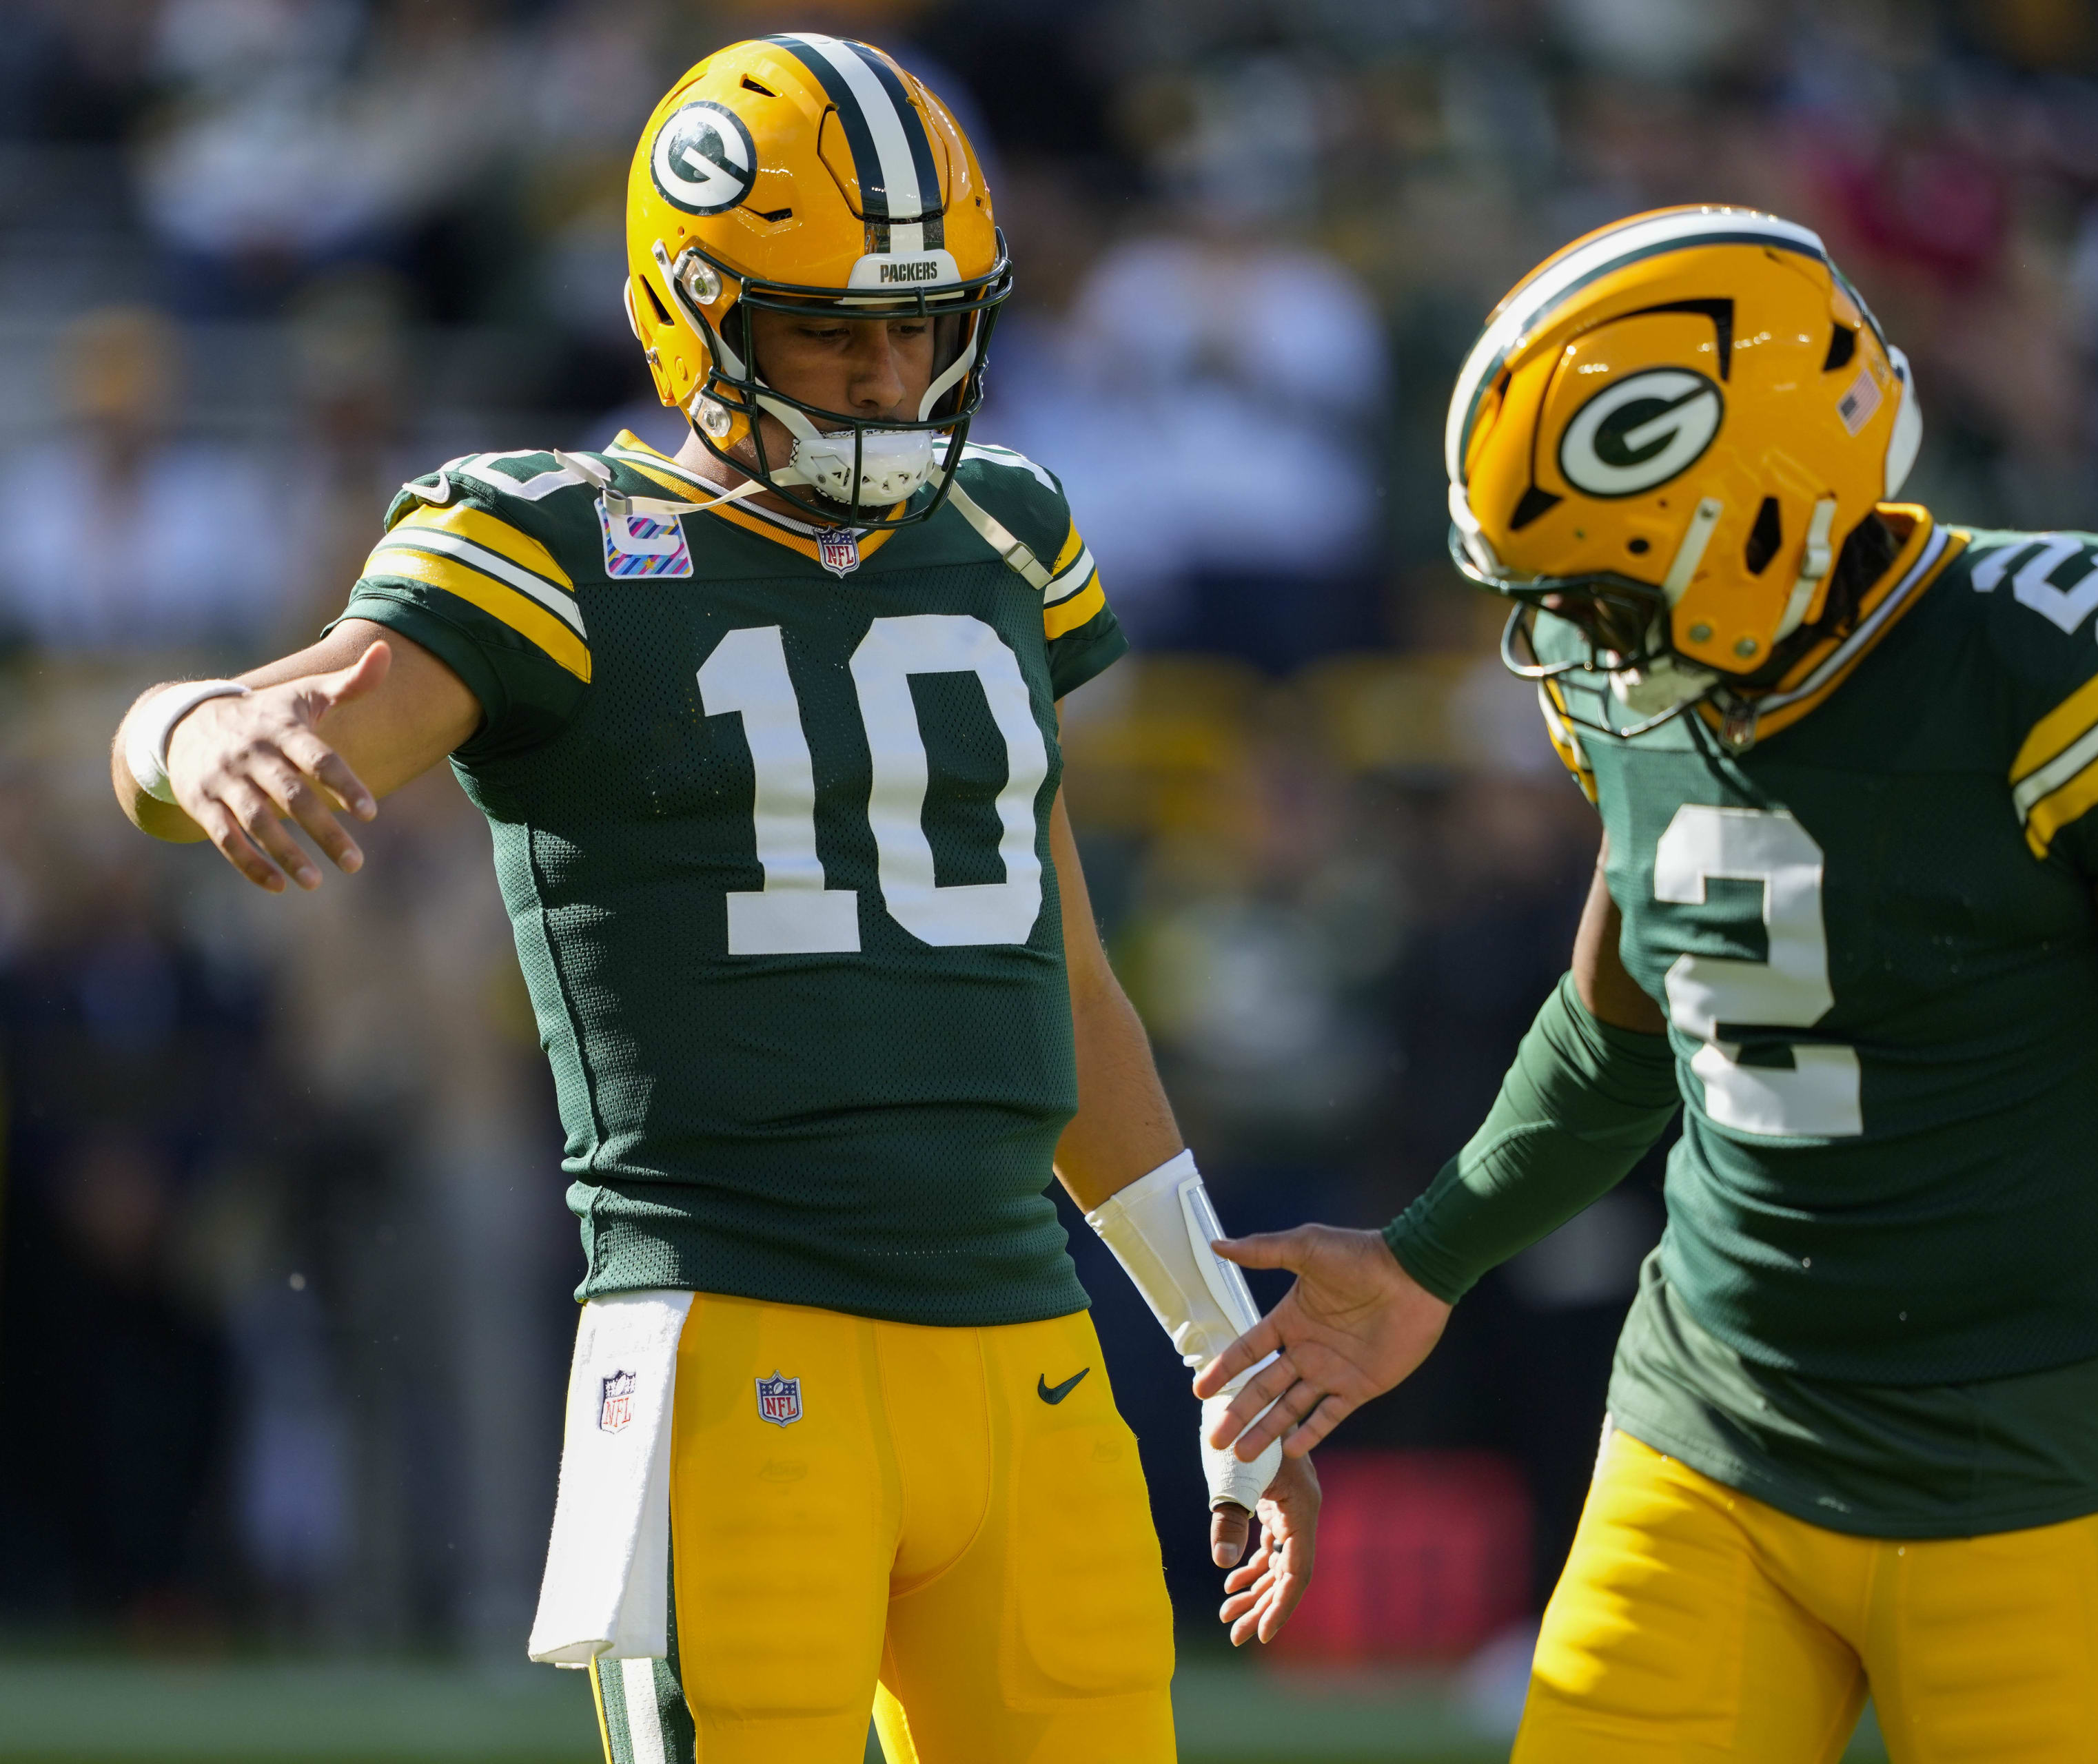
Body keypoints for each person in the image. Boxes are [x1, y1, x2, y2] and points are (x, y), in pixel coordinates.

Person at [108, 36, 1316, 1763]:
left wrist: (1219, 1344)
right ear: (694, 311)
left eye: (924, 325)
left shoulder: (1009, 533)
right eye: (833, 324)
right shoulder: (555, 541)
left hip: (1029, 1364)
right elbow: (256, 720)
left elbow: (1065, 987)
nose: (891, 375)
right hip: (736, 1359)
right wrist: (188, 724)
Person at [1199, 207, 2098, 1764]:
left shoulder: (2047, 659)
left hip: (2014, 1465)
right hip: (1702, 1444)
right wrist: (1427, 1257)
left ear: (1755, 517)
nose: (1563, 639)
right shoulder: (1641, 696)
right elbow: (1623, 1034)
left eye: (1598, 586)